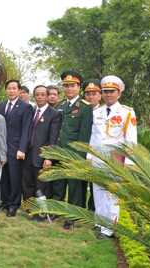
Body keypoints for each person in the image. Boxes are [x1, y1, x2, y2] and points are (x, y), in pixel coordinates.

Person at [87, 76, 137, 239]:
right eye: (106, 91)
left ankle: (109, 228)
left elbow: (131, 140)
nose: (108, 95)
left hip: (116, 159)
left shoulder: (126, 112)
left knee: (112, 194)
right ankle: (100, 222)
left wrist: (129, 162)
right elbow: (93, 136)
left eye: (112, 92)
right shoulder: (97, 112)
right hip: (99, 158)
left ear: (119, 94)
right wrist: (90, 155)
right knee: (98, 191)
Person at [52, 70, 93, 229]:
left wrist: (80, 157)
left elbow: (84, 134)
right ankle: (57, 210)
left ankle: (72, 216)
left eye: (72, 86)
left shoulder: (84, 107)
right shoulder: (60, 105)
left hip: (74, 154)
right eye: (66, 86)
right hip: (58, 151)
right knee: (58, 184)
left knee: (74, 187)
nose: (69, 89)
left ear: (79, 87)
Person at [22, 85, 61, 220]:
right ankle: (31, 208)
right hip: (28, 153)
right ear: (34, 96)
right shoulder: (31, 111)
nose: (39, 97)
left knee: (42, 186)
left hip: (42, 156)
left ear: (47, 96)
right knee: (28, 182)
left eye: (42, 94)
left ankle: (42, 212)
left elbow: (53, 137)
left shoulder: (54, 114)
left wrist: (49, 157)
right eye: (37, 94)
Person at [0, 80, 33, 217]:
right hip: (1, 147)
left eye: (14, 88)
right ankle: (5, 201)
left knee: (14, 177)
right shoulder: (1, 105)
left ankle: (13, 204)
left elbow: (26, 130)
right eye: (9, 88)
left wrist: (22, 149)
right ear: (6, 90)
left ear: (19, 91)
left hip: (16, 148)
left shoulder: (25, 107)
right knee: (3, 177)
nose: (11, 91)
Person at [82, 78, 102, 211]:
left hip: (98, 154)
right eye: (88, 94)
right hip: (82, 150)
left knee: (97, 183)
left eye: (94, 93)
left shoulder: (103, 112)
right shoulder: (81, 109)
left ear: (100, 95)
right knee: (81, 182)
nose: (90, 96)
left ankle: (94, 209)